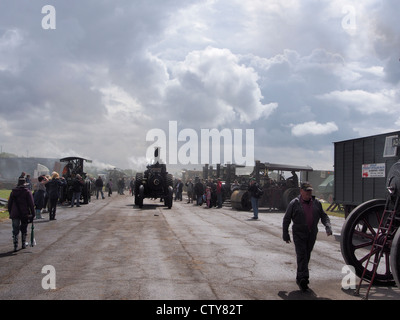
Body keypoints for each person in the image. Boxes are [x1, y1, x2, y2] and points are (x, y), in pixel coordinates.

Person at [282, 182, 333, 291]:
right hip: (299, 234)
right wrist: (285, 234)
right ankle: (304, 279)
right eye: (306, 191)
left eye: (310, 191)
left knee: (306, 255)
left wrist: (328, 227)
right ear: (301, 191)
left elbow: (324, 216)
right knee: (302, 255)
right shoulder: (294, 203)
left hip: (311, 234)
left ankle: (299, 277)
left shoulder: (316, 203)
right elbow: (286, 219)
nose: (309, 193)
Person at [8, 177, 35, 251]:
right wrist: (33, 213)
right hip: (24, 213)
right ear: (25, 184)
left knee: (15, 230)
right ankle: (23, 243)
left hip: (15, 213)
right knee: (24, 229)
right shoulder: (27, 192)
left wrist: (10, 212)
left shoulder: (13, 192)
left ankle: (15, 245)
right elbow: (31, 204)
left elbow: (9, 204)